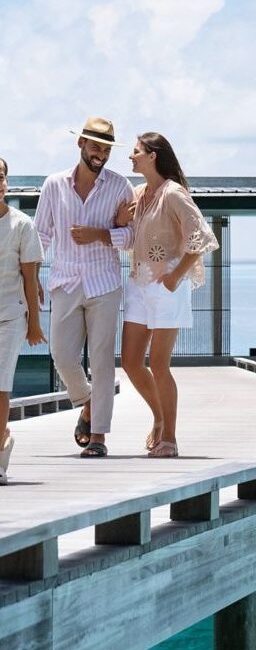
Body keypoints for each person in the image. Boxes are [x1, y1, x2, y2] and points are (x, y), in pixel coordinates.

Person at [34, 117, 134, 458]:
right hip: (64, 281)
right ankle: (88, 402)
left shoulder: (120, 186)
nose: (101, 155)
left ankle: (98, 436)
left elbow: (132, 236)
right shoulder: (54, 185)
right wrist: (32, 275)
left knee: (103, 360)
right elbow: (41, 234)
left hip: (104, 283)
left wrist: (100, 235)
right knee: (62, 355)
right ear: (81, 144)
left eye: (106, 150)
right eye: (95, 147)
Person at [120, 133, 218, 458]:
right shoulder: (140, 193)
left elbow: (202, 236)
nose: (130, 157)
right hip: (138, 284)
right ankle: (159, 418)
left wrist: (176, 277)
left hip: (166, 287)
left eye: (136, 152)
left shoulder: (174, 193)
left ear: (153, 155)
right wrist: (122, 218)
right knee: (131, 362)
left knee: (159, 364)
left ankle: (170, 439)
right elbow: (124, 227)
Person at [0, 158, 45, 483]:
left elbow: (31, 279)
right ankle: (4, 435)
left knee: (0, 385)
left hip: (10, 316)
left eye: (1, 176)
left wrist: (34, 324)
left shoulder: (22, 225)